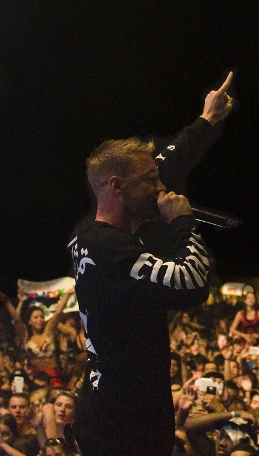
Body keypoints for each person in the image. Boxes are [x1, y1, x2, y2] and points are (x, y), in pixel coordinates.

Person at [67, 73, 233, 455]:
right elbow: (192, 283)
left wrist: (206, 121)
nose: (161, 188)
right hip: (124, 424)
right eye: (150, 181)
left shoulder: (93, 235)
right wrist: (182, 222)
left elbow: (166, 162)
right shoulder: (110, 249)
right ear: (116, 187)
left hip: (118, 410)